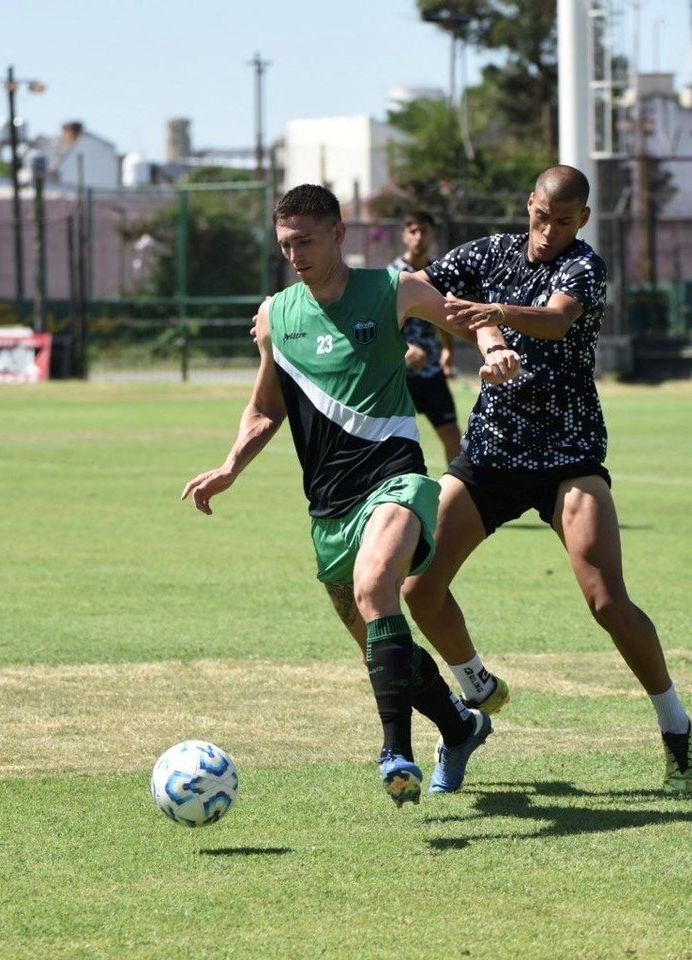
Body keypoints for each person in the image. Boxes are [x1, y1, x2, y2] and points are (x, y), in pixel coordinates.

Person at [182, 184, 519, 808]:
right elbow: (264, 407)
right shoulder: (274, 316)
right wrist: (230, 466)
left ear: (339, 234)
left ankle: (396, 751)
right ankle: (461, 724)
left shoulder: (395, 289)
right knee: (379, 637)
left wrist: (496, 349)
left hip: (396, 481)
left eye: (305, 241)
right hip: (328, 507)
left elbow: (466, 317)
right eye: (285, 244)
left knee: (375, 587)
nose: (295, 255)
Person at [402, 164, 691, 796]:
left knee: (606, 599)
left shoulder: (585, 265)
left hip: (568, 453)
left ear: (581, 220)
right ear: (527, 203)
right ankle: (473, 699)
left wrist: (493, 312)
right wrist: (460, 326)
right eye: (541, 216)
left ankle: (677, 728)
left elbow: (556, 320)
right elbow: (413, 285)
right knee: (419, 587)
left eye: (563, 222)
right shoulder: (489, 252)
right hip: (493, 450)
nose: (548, 231)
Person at [388, 211, 461, 464]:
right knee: (395, 441)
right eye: (413, 231)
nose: (419, 237)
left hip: (430, 371)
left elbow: (446, 312)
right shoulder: (392, 275)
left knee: (452, 435)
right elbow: (381, 323)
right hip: (398, 374)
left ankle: (454, 493)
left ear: (432, 235)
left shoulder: (439, 272)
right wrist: (404, 348)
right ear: (404, 236)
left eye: (424, 231)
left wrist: (448, 349)